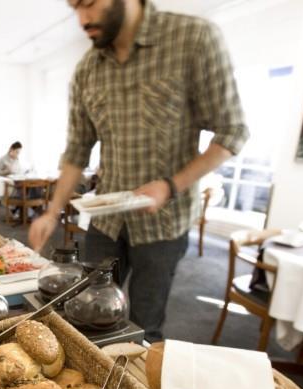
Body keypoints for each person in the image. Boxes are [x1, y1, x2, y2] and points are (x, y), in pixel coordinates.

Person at [29, 0, 249, 343]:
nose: (83, 20)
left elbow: (232, 133)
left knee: (143, 327)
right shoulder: (88, 69)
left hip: (163, 224)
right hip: (107, 221)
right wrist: (51, 212)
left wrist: (170, 185)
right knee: (88, 312)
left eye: (89, 4)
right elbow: (76, 150)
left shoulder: (193, 39)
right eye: (74, 8)